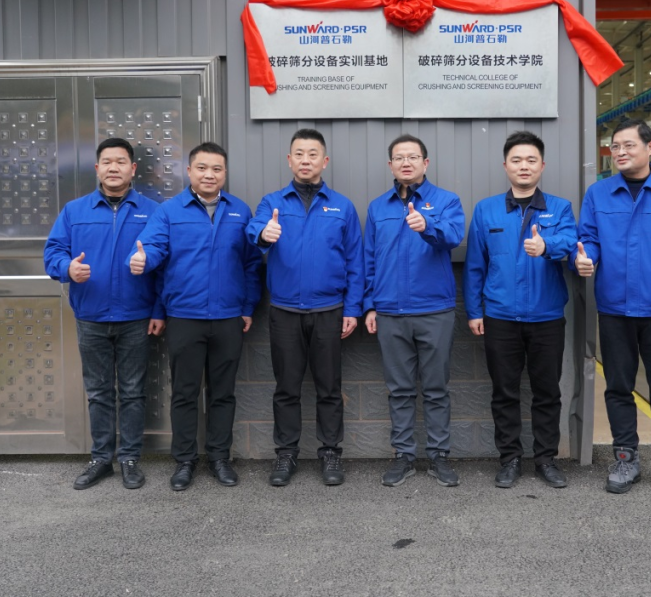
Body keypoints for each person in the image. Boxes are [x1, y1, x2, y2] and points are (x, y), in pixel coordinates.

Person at [572, 117, 651, 498]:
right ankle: (625, 457)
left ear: (650, 148)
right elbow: (589, 238)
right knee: (618, 386)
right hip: (615, 308)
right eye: (615, 147)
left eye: (629, 145)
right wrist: (586, 260)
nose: (620, 152)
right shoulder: (598, 194)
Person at [128, 142, 261, 491]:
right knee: (185, 393)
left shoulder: (240, 211)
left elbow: (251, 264)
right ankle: (185, 461)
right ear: (189, 171)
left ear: (225, 173)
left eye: (216, 169)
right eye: (202, 168)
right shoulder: (170, 211)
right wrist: (142, 259)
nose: (209, 175)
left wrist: (247, 307)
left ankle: (219, 458)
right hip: (184, 317)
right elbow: (152, 249)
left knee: (223, 393)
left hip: (228, 317)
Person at [44, 137, 164, 490]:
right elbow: (53, 252)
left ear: (133, 169)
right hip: (91, 317)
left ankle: (130, 458)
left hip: (135, 317)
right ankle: (101, 459)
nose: (114, 168)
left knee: (132, 391)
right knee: (98, 392)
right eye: (107, 162)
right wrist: (67, 268)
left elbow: (165, 263)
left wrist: (158, 309)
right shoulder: (75, 211)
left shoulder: (153, 211)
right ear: (97, 169)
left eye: (121, 161)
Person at [246, 129, 365, 487]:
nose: (305, 160)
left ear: (324, 161)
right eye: (299, 153)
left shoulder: (342, 206)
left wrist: (352, 309)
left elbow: (355, 261)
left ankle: (330, 452)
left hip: (329, 310)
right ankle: (286, 453)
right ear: (289, 160)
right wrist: (263, 234)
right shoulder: (273, 202)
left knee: (329, 387)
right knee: (287, 388)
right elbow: (254, 230)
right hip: (285, 311)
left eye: (313, 154)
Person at [463, 131, 578, 489]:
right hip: (500, 317)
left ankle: (546, 459)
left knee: (547, 392)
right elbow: (475, 265)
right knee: (504, 392)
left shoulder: (559, 208)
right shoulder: (486, 209)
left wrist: (547, 245)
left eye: (531, 160)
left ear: (542, 165)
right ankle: (509, 458)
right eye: (516, 160)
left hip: (547, 317)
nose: (524, 166)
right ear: (505, 166)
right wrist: (474, 311)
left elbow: (570, 242)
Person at [364, 135, 465, 488]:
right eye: (399, 158)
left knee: (436, 389)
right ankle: (403, 455)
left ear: (425, 162)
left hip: (434, 310)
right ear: (390, 165)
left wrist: (428, 226)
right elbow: (369, 259)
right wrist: (370, 305)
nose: (406, 163)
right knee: (400, 390)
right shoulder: (378, 208)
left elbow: (453, 236)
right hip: (390, 312)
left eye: (413, 157)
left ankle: (439, 455)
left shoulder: (446, 201)